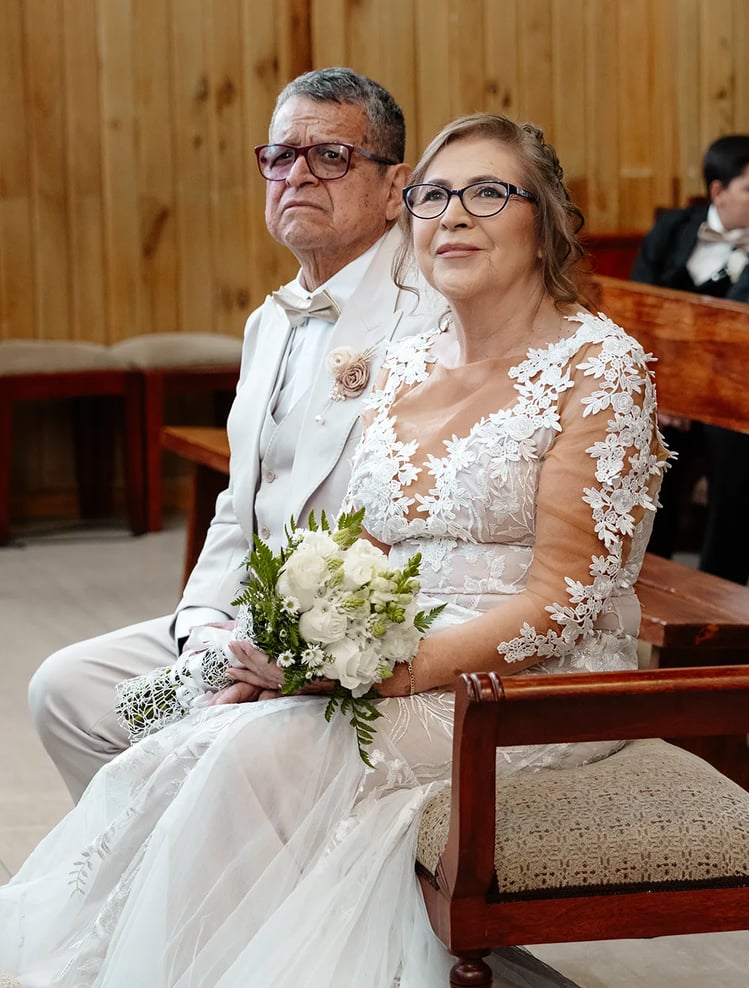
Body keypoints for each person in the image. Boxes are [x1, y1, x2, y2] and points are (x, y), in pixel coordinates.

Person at [0, 114, 668, 988]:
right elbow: (353, 539)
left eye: (488, 193)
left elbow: (562, 597)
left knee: (254, 759)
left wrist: (388, 670)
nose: (452, 215)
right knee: (194, 730)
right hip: (390, 653)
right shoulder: (408, 361)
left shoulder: (597, 366)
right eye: (435, 196)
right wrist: (291, 643)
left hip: (532, 682)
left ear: (548, 223)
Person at [27, 66, 442, 801]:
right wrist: (202, 629)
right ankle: (154, 882)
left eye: (331, 156)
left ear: (393, 187)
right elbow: (235, 508)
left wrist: (289, 654)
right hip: (237, 634)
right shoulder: (271, 320)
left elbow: (420, 528)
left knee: (191, 747)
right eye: (280, 156)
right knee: (67, 692)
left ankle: (215, 898)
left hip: (340, 654)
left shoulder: (430, 320)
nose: (298, 175)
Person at [631, 133, 749, 583]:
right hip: (668, 386)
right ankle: (645, 577)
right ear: (718, 191)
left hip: (735, 393)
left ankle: (722, 597)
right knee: (646, 442)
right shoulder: (673, 229)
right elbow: (638, 313)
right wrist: (664, 393)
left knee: (739, 450)